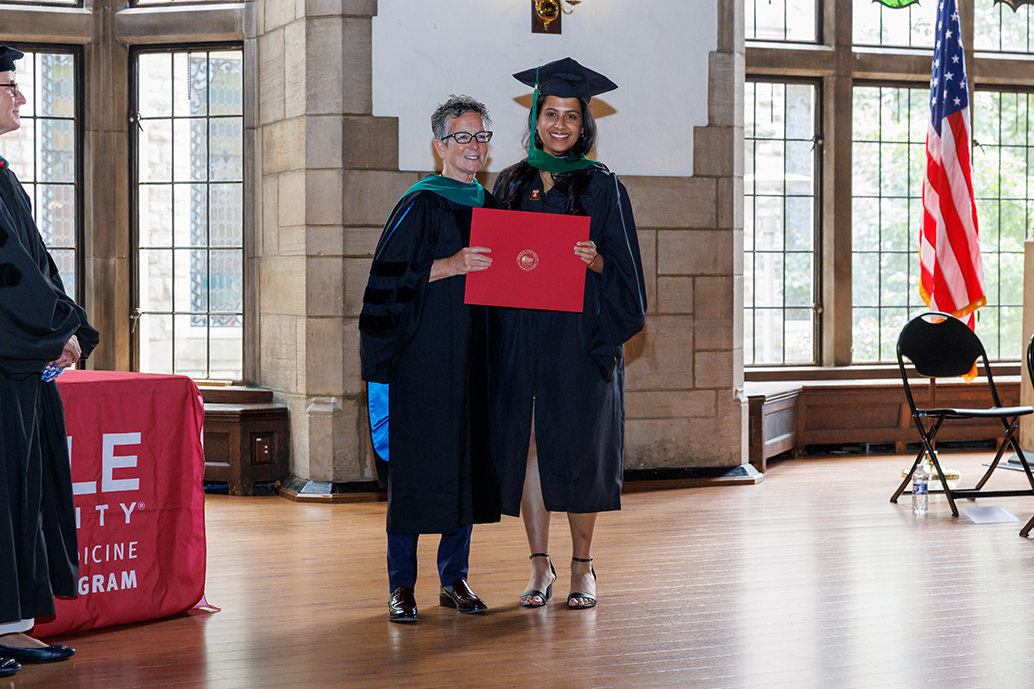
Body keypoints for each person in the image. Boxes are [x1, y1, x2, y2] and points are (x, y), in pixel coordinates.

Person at [490, 58, 646, 610]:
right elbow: (494, 264)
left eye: (571, 116)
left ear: (585, 124)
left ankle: (582, 565)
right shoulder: (510, 182)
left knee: (579, 449)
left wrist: (596, 261)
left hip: (579, 337)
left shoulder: (602, 186)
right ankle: (539, 564)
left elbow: (628, 275)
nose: (560, 124)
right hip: (523, 339)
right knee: (530, 445)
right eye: (550, 113)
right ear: (535, 117)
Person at [359, 95, 501, 623]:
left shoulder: (493, 206)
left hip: (474, 359)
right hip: (421, 360)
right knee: (415, 474)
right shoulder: (419, 203)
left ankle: (454, 578)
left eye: (482, 136)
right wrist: (452, 263)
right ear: (439, 145)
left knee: (463, 469)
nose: (474, 146)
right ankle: (401, 586)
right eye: (463, 137)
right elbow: (385, 284)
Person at [0, 45, 100, 674]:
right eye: (9, 85)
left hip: (18, 368)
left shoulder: (3, 175)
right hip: (4, 362)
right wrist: (53, 330)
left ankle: (10, 622)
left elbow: (37, 265)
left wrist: (68, 327)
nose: (21, 98)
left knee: (19, 496)